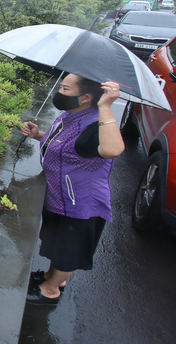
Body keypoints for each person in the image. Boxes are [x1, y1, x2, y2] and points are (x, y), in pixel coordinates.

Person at [21, 73, 125, 305]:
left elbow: (113, 150)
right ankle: (50, 276)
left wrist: (107, 107)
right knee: (59, 244)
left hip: (80, 204)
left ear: (86, 97)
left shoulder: (95, 124)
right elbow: (64, 145)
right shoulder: (72, 115)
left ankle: (50, 290)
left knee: (69, 251)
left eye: (66, 89)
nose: (60, 92)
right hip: (61, 197)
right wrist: (39, 134)